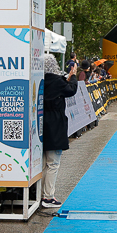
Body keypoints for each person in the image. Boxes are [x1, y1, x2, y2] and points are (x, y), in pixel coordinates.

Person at [41, 54, 78, 208]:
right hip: (55, 124)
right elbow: (71, 90)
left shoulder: (39, 80)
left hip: (40, 122)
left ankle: (39, 194)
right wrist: (73, 76)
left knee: (42, 163)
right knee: (53, 163)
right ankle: (48, 197)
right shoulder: (57, 81)